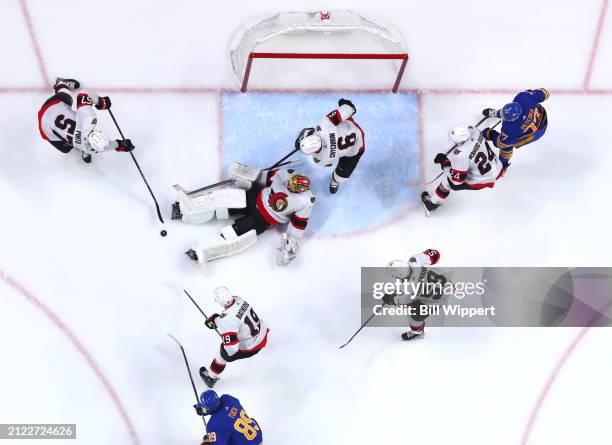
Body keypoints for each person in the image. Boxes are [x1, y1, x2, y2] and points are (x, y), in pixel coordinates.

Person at [174, 165, 315, 267]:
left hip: (262, 220)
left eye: (293, 188)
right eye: (289, 183)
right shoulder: (285, 173)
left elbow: (298, 224)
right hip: (253, 198)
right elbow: (262, 177)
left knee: (235, 235)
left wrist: (290, 242)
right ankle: (184, 209)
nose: (289, 186)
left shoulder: (306, 201)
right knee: (224, 200)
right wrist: (246, 174)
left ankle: (203, 251)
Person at [38, 77, 134, 163]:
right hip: (46, 126)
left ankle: (61, 86)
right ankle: (61, 84)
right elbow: (105, 147)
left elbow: (84, 95)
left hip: (50, 110)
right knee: (68, 98)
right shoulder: (91, 146)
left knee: (66, 149)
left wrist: (100, 101)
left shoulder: (88, 119)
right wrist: (119, 145)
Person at [421, 126, 502, 214]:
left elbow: (457, 181)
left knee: (447, 181)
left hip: (484, 180)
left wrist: (445, 163)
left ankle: (431, 204)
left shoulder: (461, 156)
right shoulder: (475, 131)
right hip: (497, 167)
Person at [199, 286, 269, 388]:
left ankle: (211, 378)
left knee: (222, 352)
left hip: (253, 347)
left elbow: (231, 349)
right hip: (262, 334)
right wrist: (216, 320)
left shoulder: (226, 321)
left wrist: (225, 336)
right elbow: (232, 317)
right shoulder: (238, 299)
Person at [295, 98, 365, 194]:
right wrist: (349, 108)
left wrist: (306, 135)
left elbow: (328, 164)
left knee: (340, 178)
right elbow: (337, 115)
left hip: (354, 149)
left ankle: (336, 180)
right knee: (341, 114)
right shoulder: (324, 126)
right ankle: (350, 108)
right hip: (355, 137)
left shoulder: (321, 159)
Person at [481, 88, 550, 173]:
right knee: (507, 141)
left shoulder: (511, 129)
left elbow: (501, 143)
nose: (503, 118)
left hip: (537, 132)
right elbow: (545, 93)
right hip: (542, 116)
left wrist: (489, 134)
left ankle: (503, 166)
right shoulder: (524, 98)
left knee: (507, 147)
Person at [384, 249, 443, 340]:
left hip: (436, 300)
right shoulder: (415, 260)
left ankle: (418, 331)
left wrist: (390, 299)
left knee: (414, 314)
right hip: (444, 282)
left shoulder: (409, 289)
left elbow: (404, 303)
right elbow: (435, 254)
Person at [194, 390, 263, 444]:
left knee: (210, 441)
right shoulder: (227, 398)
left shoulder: (212, 426)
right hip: (258, 436)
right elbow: (226, 413)